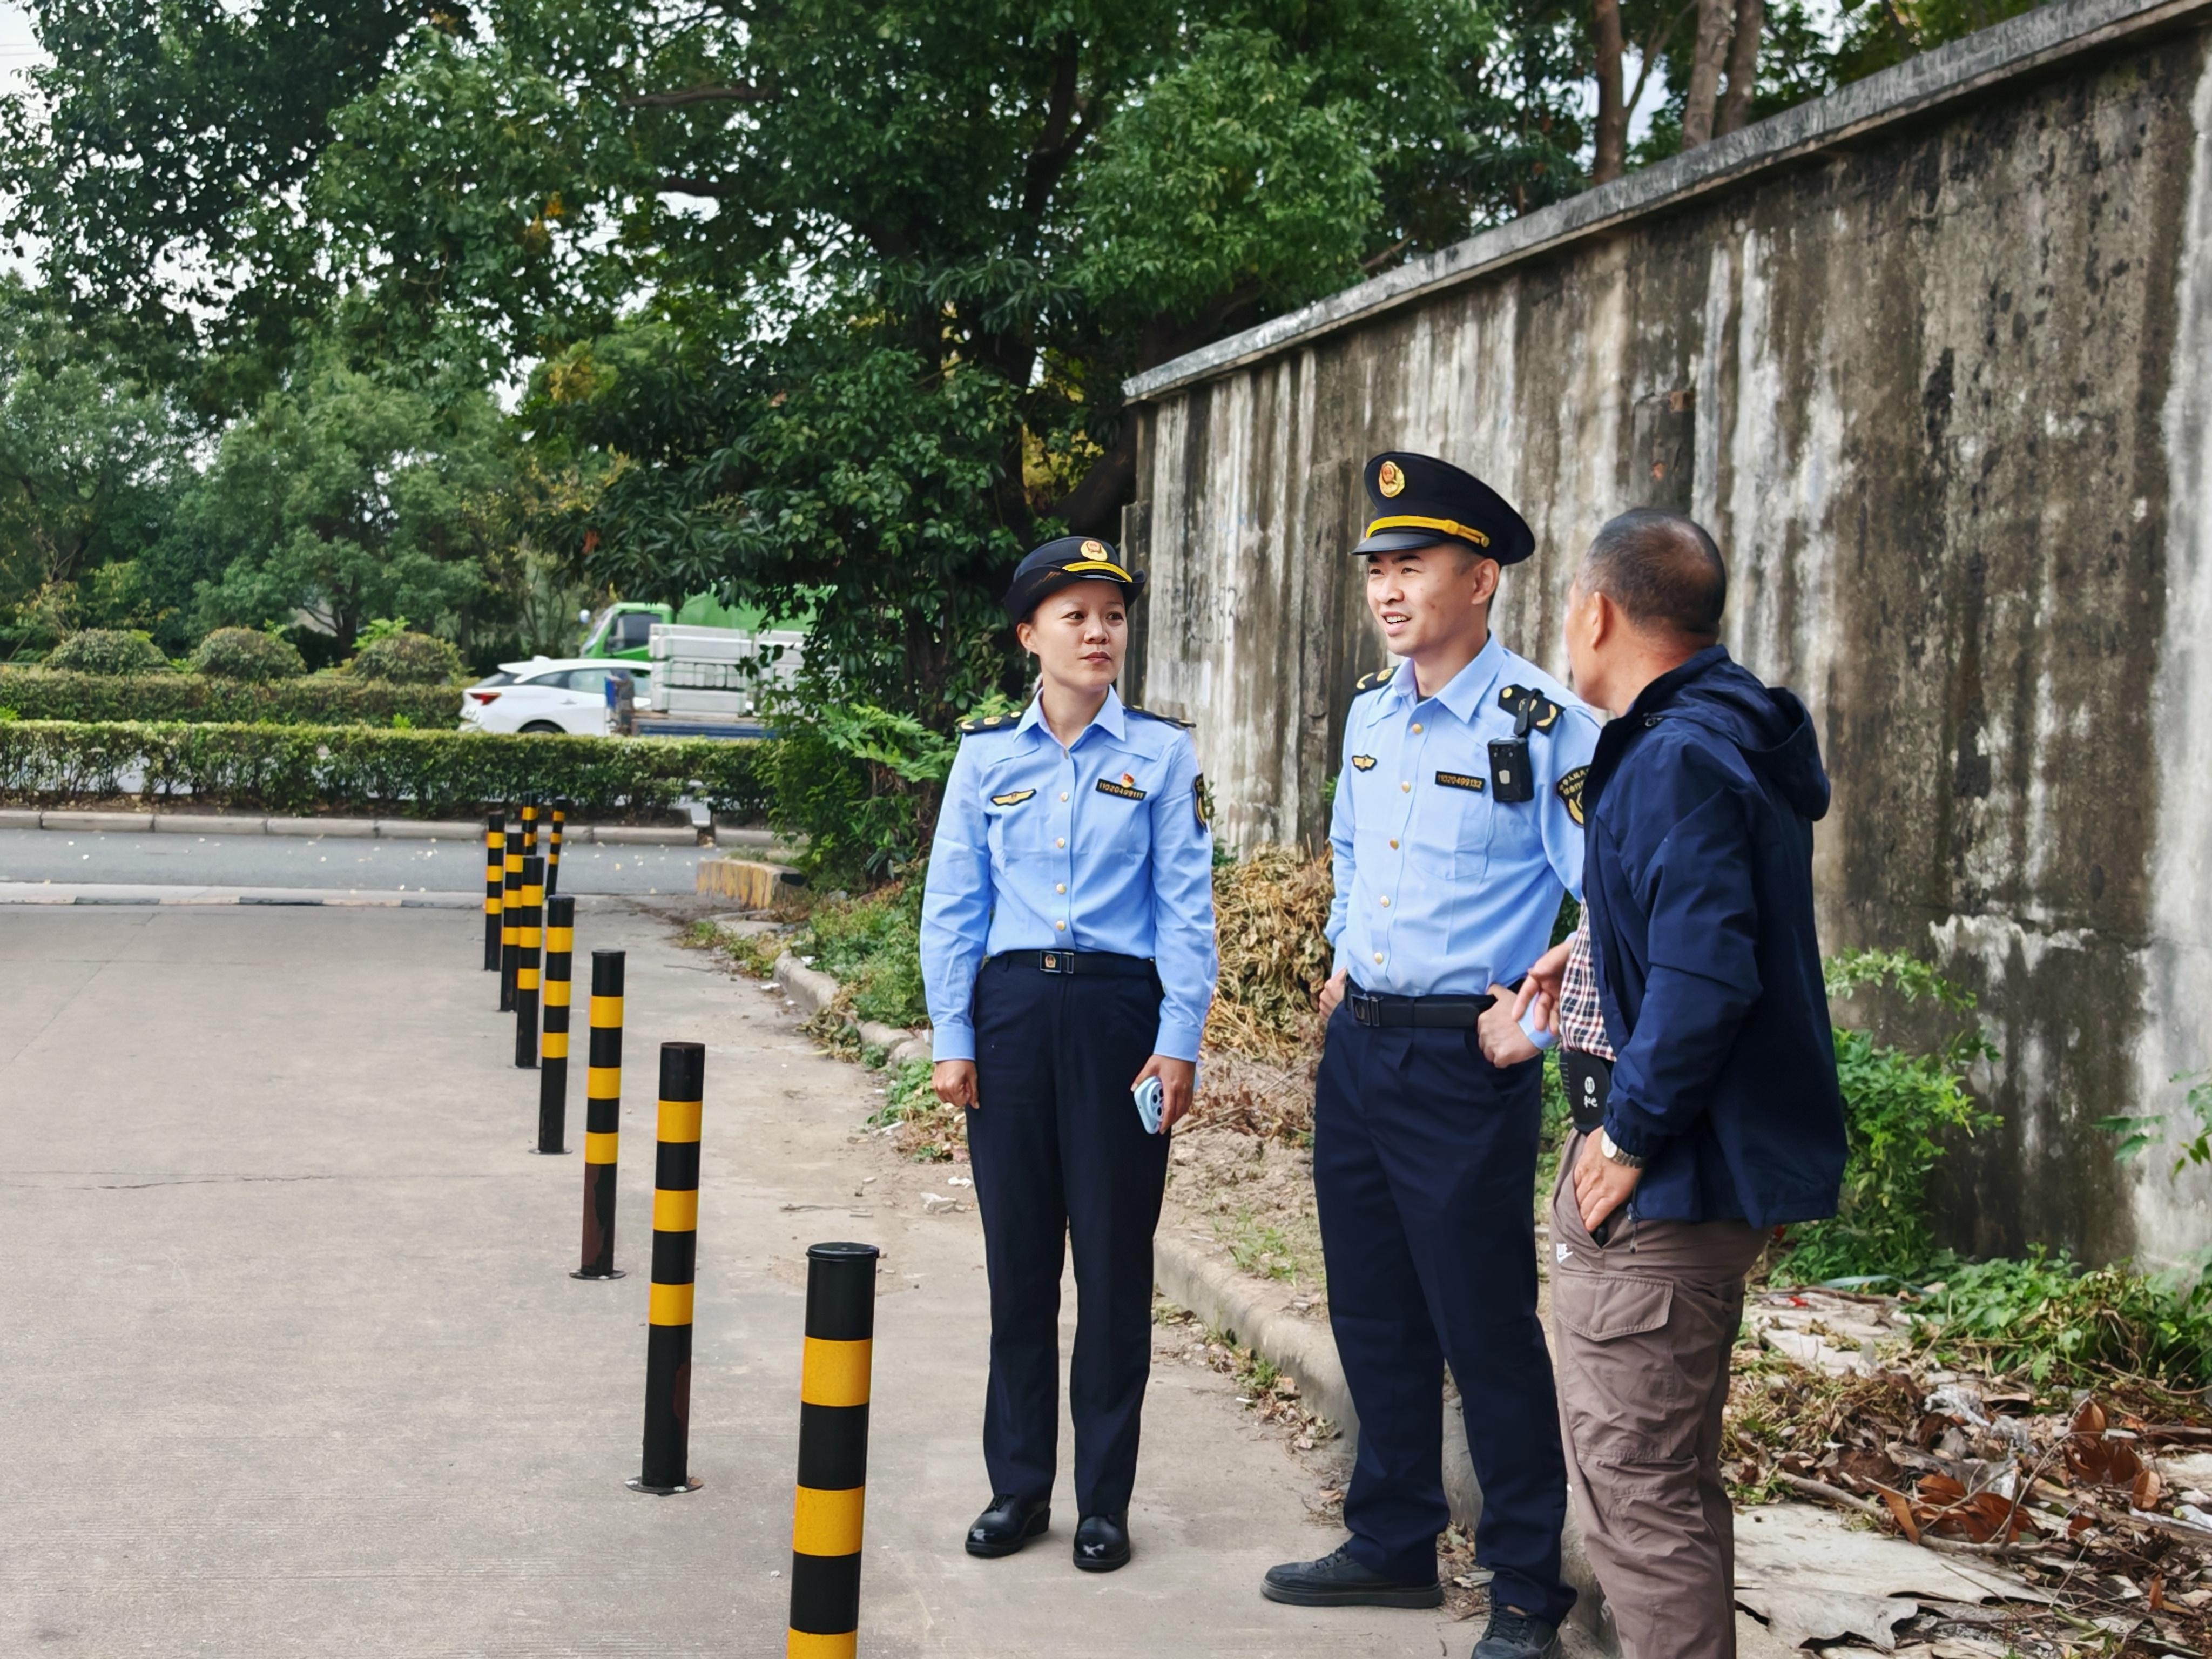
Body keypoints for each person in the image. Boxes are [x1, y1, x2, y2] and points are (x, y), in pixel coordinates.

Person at [1262, 453, 1596, 1659]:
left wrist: (1539, 1020)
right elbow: (1353, 849)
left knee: (1483, 1328)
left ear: (1481, 578)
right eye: (1377, 571)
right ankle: (1393, 1539)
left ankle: (1525, 1587)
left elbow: (1621, 898)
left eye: (1412, 567)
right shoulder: (1372, 712)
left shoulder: (1548, 727)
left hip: (1465, 1067)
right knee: (1372, 1309)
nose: (1388, 591)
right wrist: (1344, 953)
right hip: (1360, 1054)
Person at [1512, 508, 1846, 1659]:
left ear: (1597, 612)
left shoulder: (1673, 758)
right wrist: (1596, 943)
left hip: (1668, 1185)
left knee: (1637, 1498)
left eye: (1569, 605)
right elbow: (1706, 918)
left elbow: (1708, 978)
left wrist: (1625, 1139)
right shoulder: (1720, 735)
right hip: (1694, 1180)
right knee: (1668, 1485)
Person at [919, 534, 1218, 1575]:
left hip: (1117, 1024)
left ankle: (1104, 1501)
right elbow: (954, 905)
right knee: (1019, 1270)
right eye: (1075, 616)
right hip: (1010, 1018)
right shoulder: (984, 758)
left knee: (1114, 1267)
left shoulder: (1162, 756)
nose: (1099, 634)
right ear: (1029, 636)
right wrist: (953, 1035)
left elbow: (1185, 910)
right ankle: (1018, 1489)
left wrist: (1177, 1040)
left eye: (1113, 617)